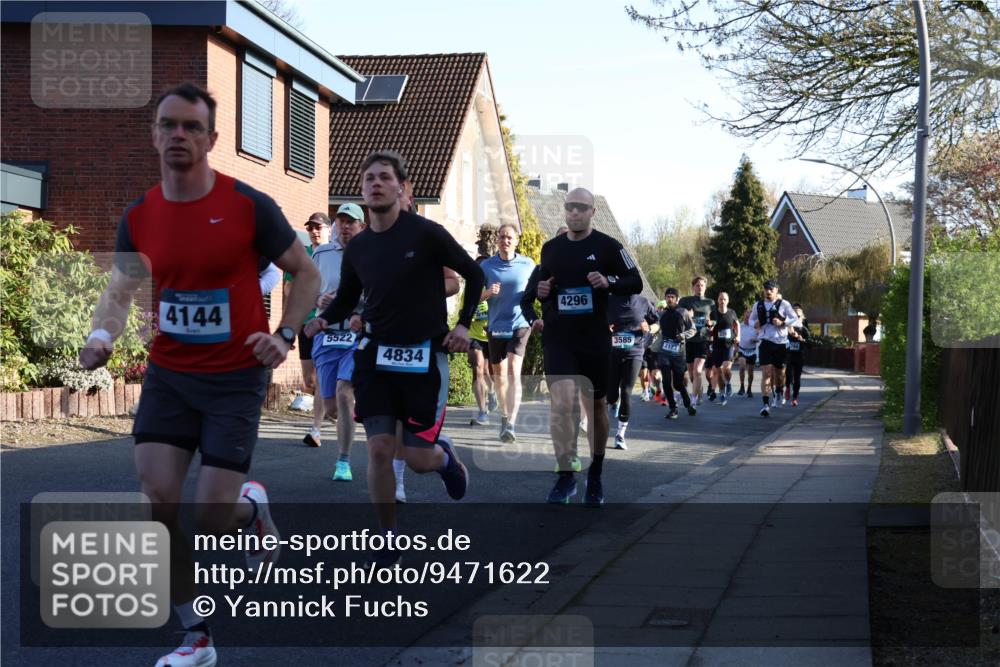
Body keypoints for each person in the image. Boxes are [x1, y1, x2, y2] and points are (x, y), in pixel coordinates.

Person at [79, 83, 319, 667]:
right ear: (154, 134)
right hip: (170, 374)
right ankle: (196, 636)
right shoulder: (140, 216)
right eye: (168, 125)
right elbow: (120, 289)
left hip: (236, 375)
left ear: (212, 139)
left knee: (212, 516)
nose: (178, 135)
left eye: (191, 126)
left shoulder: (248, 205)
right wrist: (102, 335)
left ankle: (249, 507)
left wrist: (284, 335)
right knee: (156, 501)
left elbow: (307, 275)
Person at [306, 150, 483, 563]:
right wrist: (321, 320)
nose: (376, 183)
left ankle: (444, 459)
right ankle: (387, 537)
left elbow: (474, 275)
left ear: (402, 188)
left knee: (416, 458)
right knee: (381, 449)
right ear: (363, 189)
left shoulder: (427, 234)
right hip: (375, 357)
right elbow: (347, 299)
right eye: (369, 178)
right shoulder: (360, 247)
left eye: (385, 177)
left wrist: (463, 327)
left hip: (424, 358)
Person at [521, 188, 642, 506]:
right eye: (569, 207)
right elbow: (541, 285)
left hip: (594, 339)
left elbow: (635, 281)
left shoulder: (608, 246)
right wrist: (542, 289)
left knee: (597, 406)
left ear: (592, 212)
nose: (574, 212)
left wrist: (609, 282)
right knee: (561, 404)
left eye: (580, 208)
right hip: (560, 338)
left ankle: (596, 474)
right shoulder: (551, 249)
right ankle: (565, 476)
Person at [311, 204, 366, 481]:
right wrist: (317, 300)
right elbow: (307, 289)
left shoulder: (371, 255)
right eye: (341, 221)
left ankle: (343, 462)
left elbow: (380, 295)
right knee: (332, 407)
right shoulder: (321, 254)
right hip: (327, 335)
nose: (345, 227)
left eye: (351, 222)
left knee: (345, 392)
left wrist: (358, 310)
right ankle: (353, 416)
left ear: (362, 227)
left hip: (356, 337)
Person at [481, 223, 536, 442]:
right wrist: (487, 293)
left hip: (520, 323)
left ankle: (511, 423)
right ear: (497, 241)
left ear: (516, 241)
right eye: (502, 237)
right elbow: (473, 297)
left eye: (510, 237)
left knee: (514, 370)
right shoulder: (486, 266)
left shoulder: (528, 264)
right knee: (499, 377)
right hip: (496, 326)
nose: (506, 241)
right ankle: (505, 416)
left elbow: (535, 291)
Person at [288, 212, 331, 447]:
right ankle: (336, 405)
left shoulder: (337, 254)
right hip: (305, 323)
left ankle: (316, 429)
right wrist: (289, 323)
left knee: (323, 375)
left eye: (319, 227)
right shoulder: (303, 256)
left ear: (328, 230)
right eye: (311, 228)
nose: (314, 231)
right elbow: (289, 288)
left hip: (328, 323)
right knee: (310, 380)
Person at [607, 293, 659, 449]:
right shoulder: (609, 299)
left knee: (626, 391)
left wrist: (649, 328)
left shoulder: (643, 302)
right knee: (611, 394)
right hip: (612, 353)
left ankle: (620, 434)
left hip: (635, 352)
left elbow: (657, 321)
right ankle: (612, 401)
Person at [747, 280, 799, 417]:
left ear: (776, 290)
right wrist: (755, 324)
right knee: (766, 373)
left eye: (771, 289)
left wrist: (783, 322)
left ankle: (778, 392)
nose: (768, 291)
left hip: (781, 343)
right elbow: (751, 320)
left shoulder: (784, 304)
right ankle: (765, 405)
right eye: (766, 289)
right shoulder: (757, 305)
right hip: (765, 342)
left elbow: (795, 318)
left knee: (780, 374)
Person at [657, 288, 697, 419]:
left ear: (677, 299)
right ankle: (673, 408)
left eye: (672, 297)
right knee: (666, 381)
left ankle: (687, 403)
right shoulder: (661, 314)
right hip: (664, 351)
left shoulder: (683, 312)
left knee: (678, 384)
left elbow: (693, 329)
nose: (670, 299)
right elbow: (656, 331)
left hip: (679, 352)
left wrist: (683, 335)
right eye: (668, 297)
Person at [677, 277, 714, 406]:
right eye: (697, 285)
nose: (700, 287)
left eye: (702, 285)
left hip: (702, 339)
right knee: (692, 374)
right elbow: (677, 315)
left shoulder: (710, 302)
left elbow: (716, 319)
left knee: (698, 371)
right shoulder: (684, 301)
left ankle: (693, 398)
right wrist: (687, 315)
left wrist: (711, 323)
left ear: (705, 287)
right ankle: (699, 390)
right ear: (693, 287)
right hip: (688, 340)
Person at [708, 292, 740, 407]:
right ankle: (722, 393)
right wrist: (710, 328)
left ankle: (729, 383)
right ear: (718, 300)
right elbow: (710, 327)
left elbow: (737, 324)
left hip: (728, 344)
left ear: (728, 300)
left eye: (725, 299)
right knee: (719, 370)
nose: (722, 301)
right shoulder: (713, 313)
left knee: (725, 367)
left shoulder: (732, 312)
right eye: (721, 299)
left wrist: (738, 336)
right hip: (717, 345)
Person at [785, 303, 810, 406]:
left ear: (801, 312)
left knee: (797, 378)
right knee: (788, 374)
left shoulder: (803, 325)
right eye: (794, 309)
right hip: (789, 353)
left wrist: (802, 339)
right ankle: (787, 387)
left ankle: (795, 397)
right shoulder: (787, 323)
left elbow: (808, 340)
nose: (796, 311)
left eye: (798, 310)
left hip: (799, 354)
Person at [736, 307, 758, 398]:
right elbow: (736, 336)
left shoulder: (755, 326)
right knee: (742, 366)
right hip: (742, 350)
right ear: (744, 315)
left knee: (750, 372)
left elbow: (761, 336)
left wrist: (755, 339)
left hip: (752, 351)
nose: (748, 316)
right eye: (747, 313)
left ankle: (749, 388)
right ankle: (742, 387)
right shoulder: (740, 326)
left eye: (750, 314)